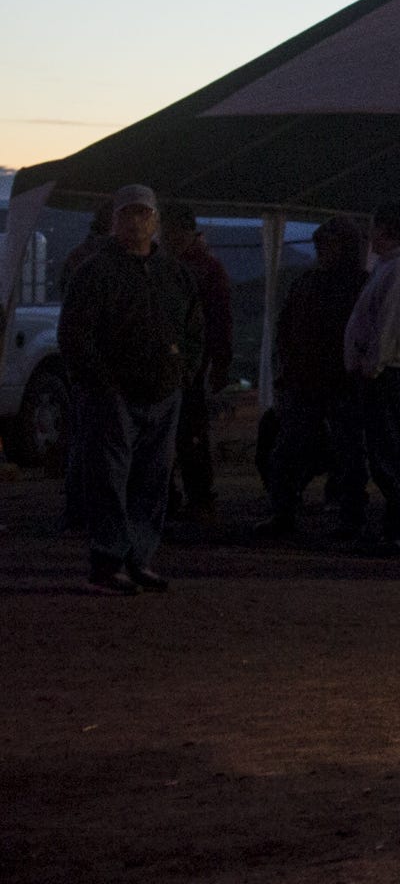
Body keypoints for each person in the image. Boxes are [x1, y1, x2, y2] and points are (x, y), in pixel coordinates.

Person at [59, 184, 201, 595]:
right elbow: (75, 334)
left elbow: (194, 327)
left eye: (144, 214)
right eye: (129, 214)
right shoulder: (96, 272)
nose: (137, 222)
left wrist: (183, 370)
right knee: (109, 477)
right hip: (112, 394)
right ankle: (108, 561)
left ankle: (138, 558)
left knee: (152, 479)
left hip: (162, 391)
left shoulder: (173, 274)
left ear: (155, 220)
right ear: (115, 220)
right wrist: (101, 384)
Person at [256, 217, 370, 541]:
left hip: (341, 384)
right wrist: (287, 371)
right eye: (320, 245)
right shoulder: (309, 283)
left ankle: (350, 517)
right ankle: (283, 511)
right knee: (288, 450)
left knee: (348, 454)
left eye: (329, 245)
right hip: (304, 383)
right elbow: (286, 329)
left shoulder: (359, 286)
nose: (322, 251)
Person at [340, 201, 400, 556]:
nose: (370, 236)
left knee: (391, 451)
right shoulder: (394, 268)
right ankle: (399, 527)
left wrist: (373, 364)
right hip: (387, 373)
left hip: (390, 375)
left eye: (376, 229)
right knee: (388, 450)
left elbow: (393, 325)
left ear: (390, 232)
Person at [158, 202, 234, 516]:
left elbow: (219, 318)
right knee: (170, 431)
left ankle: (197, 494)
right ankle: (173, 494)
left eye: (176, 230)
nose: (171, 236)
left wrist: (220, 361)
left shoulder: (204, 269)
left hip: (191, 362)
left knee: (189, 429)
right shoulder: (165, 265)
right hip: (166, 361)